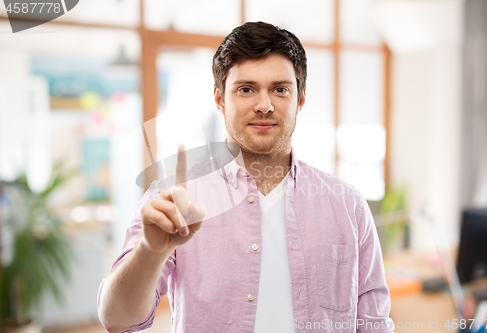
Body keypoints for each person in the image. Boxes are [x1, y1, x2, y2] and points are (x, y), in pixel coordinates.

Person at [98, 21, 394, 333]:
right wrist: (151, 251)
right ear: (220, 100)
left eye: (280, 89)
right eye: (246, 89)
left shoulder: (347, 204)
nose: (264, 105)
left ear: (300, 100)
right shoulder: (171, 199)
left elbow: (374, 324)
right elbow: (116, 319)